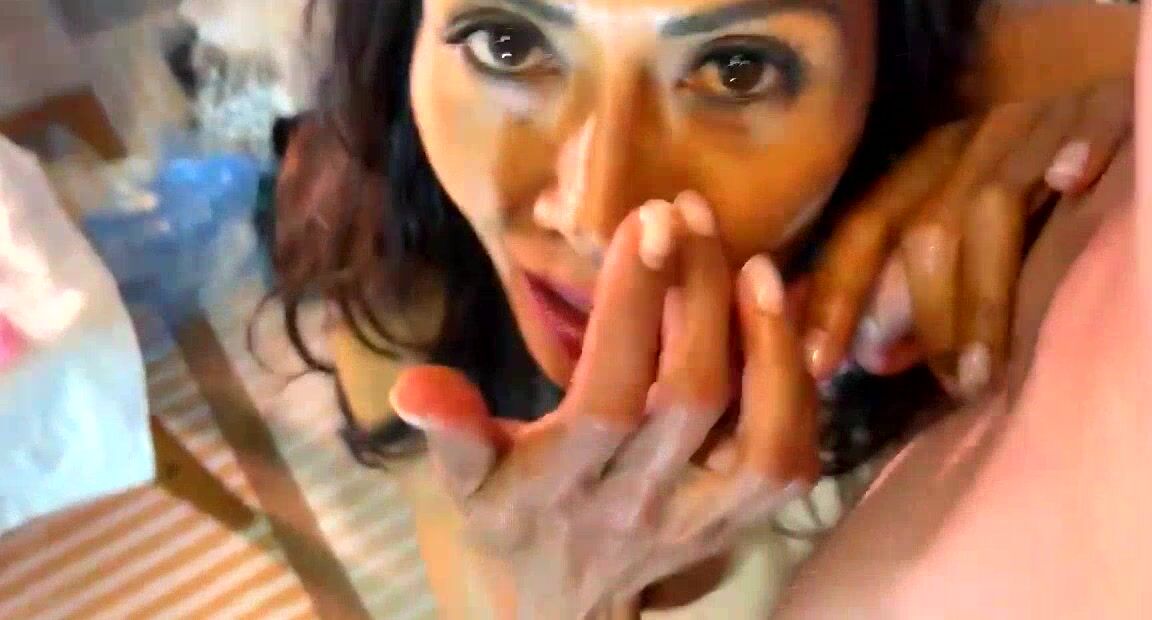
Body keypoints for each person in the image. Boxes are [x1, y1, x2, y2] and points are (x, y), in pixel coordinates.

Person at [272, 0, 1139, 616]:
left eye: (737, 68)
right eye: (508, 42)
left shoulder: (1039, 141)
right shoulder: (394, 269)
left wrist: (1119, 145)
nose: (597, 218)